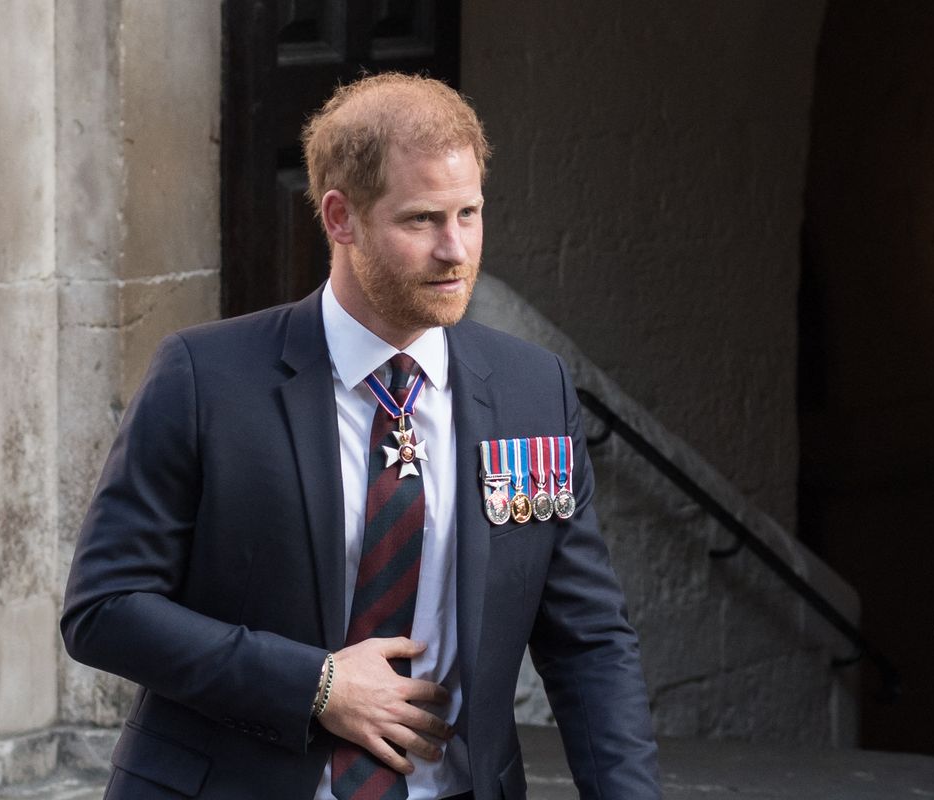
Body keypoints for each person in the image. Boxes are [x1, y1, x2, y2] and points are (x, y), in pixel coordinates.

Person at [62, 72, 660, 800]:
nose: (456, 249)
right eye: (422, 221)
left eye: (469, 213)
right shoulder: (205, 379)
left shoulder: (535, 392)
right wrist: (316, 684)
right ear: (340, 218)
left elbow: (588, 641)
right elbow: (105, 607)